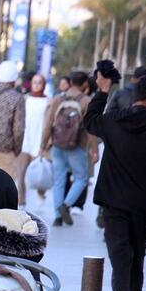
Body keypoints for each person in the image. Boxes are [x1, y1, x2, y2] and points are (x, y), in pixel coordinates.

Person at [83, 68, 146, 291]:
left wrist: (103, 91)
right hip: (144, 204)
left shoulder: (114, 121)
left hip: (113, 202)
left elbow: (90, 120)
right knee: (136, 255)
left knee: (120, 254)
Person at [40, 71, 96, 227]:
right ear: (85, 84)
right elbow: (91, 128)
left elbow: (48, 123)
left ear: (70, 83)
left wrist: (43, 144)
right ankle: (66, 205)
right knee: (81, 178)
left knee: (59, 180)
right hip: (77, 146)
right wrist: (94, 149)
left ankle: (58, 217)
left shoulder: (58, 99)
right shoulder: (86, 101)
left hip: (57, 145)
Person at [17, 73, 49, 208]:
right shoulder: (24, 99)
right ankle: (21, 201)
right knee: (21, 174)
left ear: (43, 85)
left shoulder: (48, 101)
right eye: (34, 82)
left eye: (39, 82)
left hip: (40, 142)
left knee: (40, 171)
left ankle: (41, 193)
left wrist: (45, 143)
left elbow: (49, 123)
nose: (36, 85)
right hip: (24, 141)